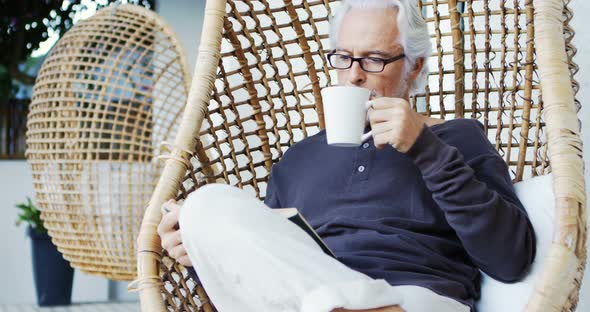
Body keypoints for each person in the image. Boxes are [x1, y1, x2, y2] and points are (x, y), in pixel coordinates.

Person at [157, 1, 536, 311]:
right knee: (206, 204)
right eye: (342, 57)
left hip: (416, 297)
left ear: (414, 65)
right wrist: (198, 250)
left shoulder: (455, 139)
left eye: (373, 59)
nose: (353, 75)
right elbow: (271, 270)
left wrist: (425, 150)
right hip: (310, 295)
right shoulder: (297, 160)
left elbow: (510, 259)